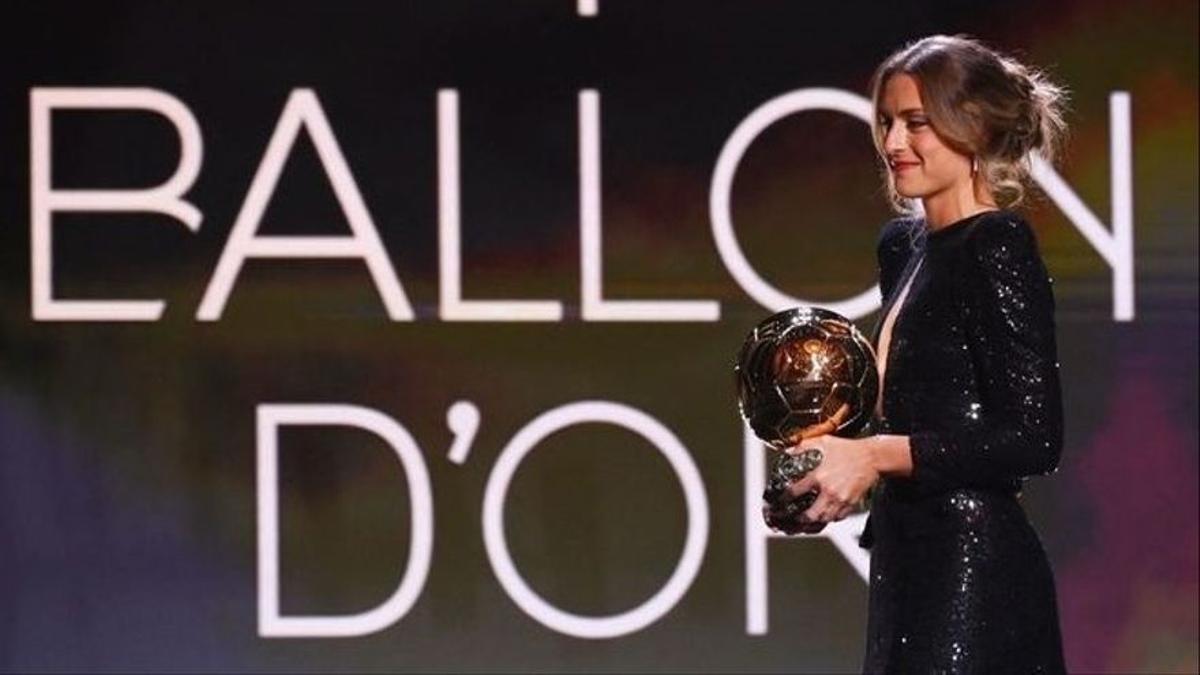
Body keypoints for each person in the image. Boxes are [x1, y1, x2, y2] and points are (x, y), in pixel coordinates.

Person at [775, 35, 1070, 673]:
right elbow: (910, 420)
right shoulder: (905, 250)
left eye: (917, 123)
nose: (893, 144)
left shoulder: (997, 246)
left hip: (973, 573)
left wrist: (875, 455)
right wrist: (826, 479)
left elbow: (1033, 437)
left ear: (974, 127)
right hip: (905, 565)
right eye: (886, 122)